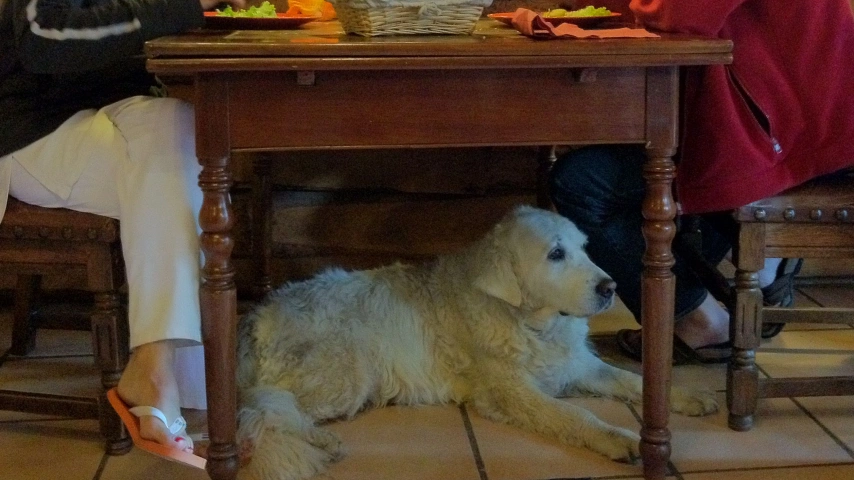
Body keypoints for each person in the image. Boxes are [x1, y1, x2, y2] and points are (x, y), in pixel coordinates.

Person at [0, 0, 244, 457]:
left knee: (184, 136)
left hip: (111, 110)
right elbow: (41, 36)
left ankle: (166, 377)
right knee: (185, 157)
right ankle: (172, 386)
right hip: (25, 128)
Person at [548, 0, 854, 364]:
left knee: (581, 183)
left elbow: (682, 15)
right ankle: (746, 283)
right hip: (804, 124)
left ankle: (700, 318)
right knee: (662, 164)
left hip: (796, 134)